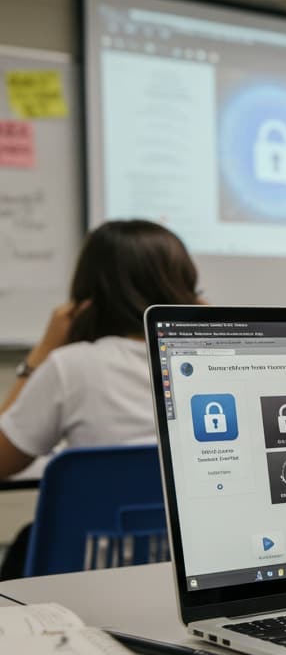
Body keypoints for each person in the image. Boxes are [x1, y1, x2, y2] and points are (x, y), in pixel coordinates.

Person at [0, 219, 200, 578]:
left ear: (89, 293)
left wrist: (40, 355)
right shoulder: (212, 364)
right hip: (192, 567)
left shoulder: (70, 366)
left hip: (92, 574)